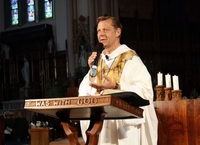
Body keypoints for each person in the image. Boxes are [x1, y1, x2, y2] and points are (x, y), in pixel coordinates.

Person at [78, 16, 158, 145]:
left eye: (106, 30)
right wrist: (92, 72)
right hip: (102, 123)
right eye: (98, 30)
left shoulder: (130, 58)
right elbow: (86, 90)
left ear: (118, 32)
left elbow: (145, 91)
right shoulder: (98, 60)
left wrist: (116, 86)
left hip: (124, 125)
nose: (101, 34)